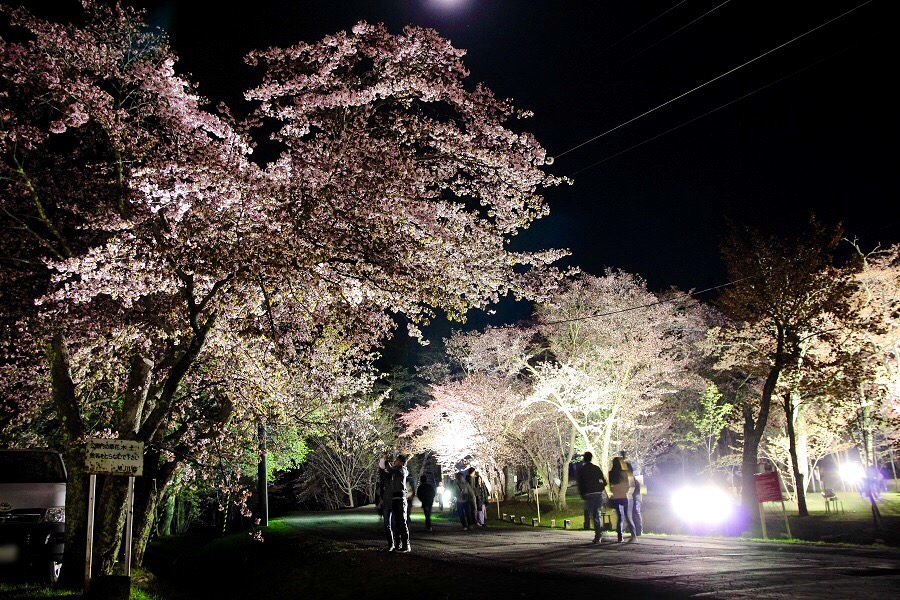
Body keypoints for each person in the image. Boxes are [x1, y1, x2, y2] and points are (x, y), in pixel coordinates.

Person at [576, 451, 607, 544]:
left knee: (593, 515)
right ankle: (599, 532)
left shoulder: (582, 470)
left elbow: (580, 484)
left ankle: (599, 534)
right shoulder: (596, 468)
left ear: (584, 458)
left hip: (589, 494)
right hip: (597, 494)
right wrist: (600, 488)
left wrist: (582, 494)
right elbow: (604, 481)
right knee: (597, 514)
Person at [383, 454, 411, 552]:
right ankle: (398, 545)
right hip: (395, 499)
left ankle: (406, 545)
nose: (395, 461)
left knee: (402, 522)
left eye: (397, 460)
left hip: (400, 499)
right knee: (397, 523)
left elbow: (390, 470)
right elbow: (387, 473)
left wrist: (386, 462)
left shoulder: (401, 470)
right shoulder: (396, 471)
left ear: (402, 462)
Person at [609, 456, 636, 542]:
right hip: (624, 496)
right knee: (628, 516)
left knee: (620, 517)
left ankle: (620, 536)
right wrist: (628, 491)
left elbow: (611, 486)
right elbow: (630, 484)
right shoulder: (624, 473)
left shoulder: (611, 474)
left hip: (615, 497)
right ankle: (633, 535)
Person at [619, 450, 642, 536]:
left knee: (633, 510)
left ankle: (636, 529)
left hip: (631, 488)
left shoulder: (625, 466)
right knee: (634, 510)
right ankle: (636, 529)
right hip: (633, 488)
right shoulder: (628, 465)